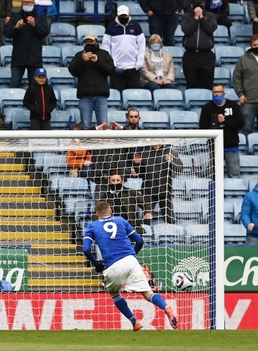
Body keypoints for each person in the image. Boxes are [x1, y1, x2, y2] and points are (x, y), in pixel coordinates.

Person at [83, 201, 177, 332]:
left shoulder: (92, 226)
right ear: (111, 212)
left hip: (113, 265)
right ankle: (166, 307)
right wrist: (131, 255)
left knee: (115, 293)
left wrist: (96, 264)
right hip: (131, 261)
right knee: (147, 292)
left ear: (97, 214)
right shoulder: (121, 220)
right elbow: (139, 240)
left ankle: (134, 321)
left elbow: (86, 249)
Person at [68, 30, 114, 129]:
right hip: (85, 95)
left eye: (91, 41)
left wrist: (98, 62)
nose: (89, 43)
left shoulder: (104, 54)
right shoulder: (79, 55)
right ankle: (85, 144)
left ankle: (103, 145)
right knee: (85, 126)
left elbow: (110, 70)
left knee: (103, 125)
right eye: (87, 41)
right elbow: (72, 71)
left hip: (101, 96)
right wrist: (82, 60)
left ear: (96, 42)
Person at [4, 0, 49, 87]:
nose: (27, 4)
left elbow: (44, 32)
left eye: (29, 3)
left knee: (35, 87)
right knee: (14, 84)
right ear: (21, 3)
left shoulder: (40, 17)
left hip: (35, 59)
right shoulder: (15, 17)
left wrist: (35, 25)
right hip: (18, 58)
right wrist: (16, 27)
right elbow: (7, 33)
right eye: (25, 2)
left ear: (34, 3)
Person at [199, 84, 244, 178]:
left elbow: (240, 123)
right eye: (215, 92)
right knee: (214, 176)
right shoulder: (207, 107)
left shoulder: (233, 105)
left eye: (219, 92)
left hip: (231, 146)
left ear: (224, 93)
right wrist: (216, 122)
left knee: (234, 175)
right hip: (214, 147)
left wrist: (225, 121)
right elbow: (203, 126)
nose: (217, 94)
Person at [132, 143, 183, 224]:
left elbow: (179, 169)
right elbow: (139, 172)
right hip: (148, 192)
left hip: (165, 192)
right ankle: (146, 236)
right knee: (146, 221)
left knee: (170, 220)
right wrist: (136, 164)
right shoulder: (144, 152)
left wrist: (172, 162)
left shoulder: (170, 152)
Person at [102, 4, 146, 91]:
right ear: (117, 15)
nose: (123, 17)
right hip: (116, 67)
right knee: (117, 92)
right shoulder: (111, 27)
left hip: (133, 67)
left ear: (129, 14)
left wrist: (139, 63)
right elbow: (106, 46)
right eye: (121, 15)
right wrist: (112, 64)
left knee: (132, 93)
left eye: (125, 15)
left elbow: (141, 45)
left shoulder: (136, 26)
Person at [180, 0, 217, 89]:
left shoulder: (210, 16)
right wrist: (195, 18)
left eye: (199, 4)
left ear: (204, 4)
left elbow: (210, 29)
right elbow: (187, 30)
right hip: (190, 54)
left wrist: (202, 18)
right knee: (191, 83)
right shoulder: (186, 17)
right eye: (195, 4)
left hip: (206, 55)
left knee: (207, 84)